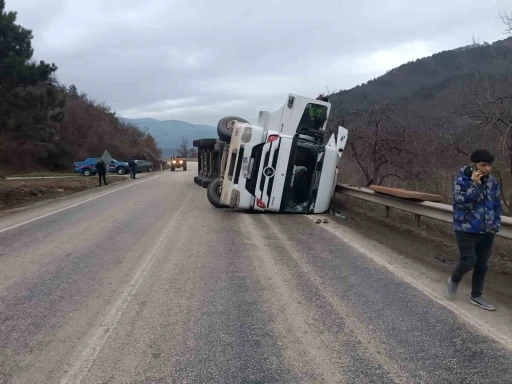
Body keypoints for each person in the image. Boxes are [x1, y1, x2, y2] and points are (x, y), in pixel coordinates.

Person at [445, 149, 502, 311]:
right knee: (469, 260)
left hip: (487, 230)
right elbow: (461, 202)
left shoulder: (492, 182)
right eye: (483, 165)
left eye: (489, 166)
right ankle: (454, 280)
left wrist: (495, 225)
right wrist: (475, 185)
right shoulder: (461, 180)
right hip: (465, 228)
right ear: (473, 165)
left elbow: (497, 205)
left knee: (482, 264)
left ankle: (476, 295)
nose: (486, 169)